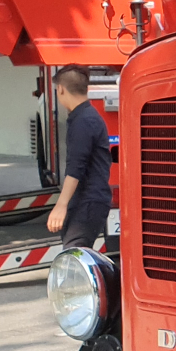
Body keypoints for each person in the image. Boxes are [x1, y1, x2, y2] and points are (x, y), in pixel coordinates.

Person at [46, 66, 112, 246]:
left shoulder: (83, 121)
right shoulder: (87, 116)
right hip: (91, 201)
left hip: (87, 202)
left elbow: (75, 169)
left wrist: (60, 206)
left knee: (73, 256)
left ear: (60, 89)